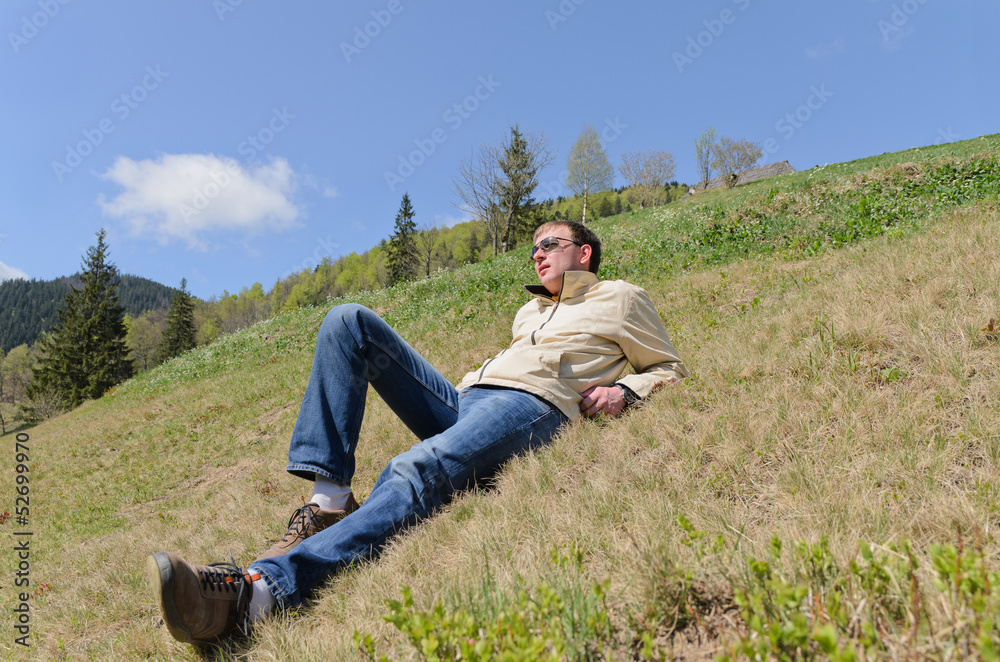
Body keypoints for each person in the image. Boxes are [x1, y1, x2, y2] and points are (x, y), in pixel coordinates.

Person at [147, 220, 688, 644]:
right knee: (347, 321)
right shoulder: (530, 311)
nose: (538, 254)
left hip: (533, 406)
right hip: (467, 399)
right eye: (532, 250)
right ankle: (331, 500)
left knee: (414, 466)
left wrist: (625, 392)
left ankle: (253, 596)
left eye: (549, 243)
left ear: (584, 252)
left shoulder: (620, 297)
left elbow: (668, 366)